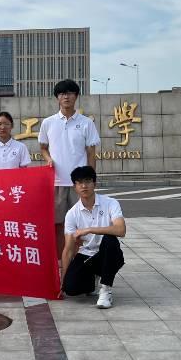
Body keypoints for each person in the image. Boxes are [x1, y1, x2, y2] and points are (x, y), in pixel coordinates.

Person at [38, 79, 101, 257]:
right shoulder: (48, 123)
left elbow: (91, 153)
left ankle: (80, 260)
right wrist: (48, 159)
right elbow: (43, 147)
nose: (66, 97)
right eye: (62, 93)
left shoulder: (86, 123)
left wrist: (92, 180)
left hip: (79, 184)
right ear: (57, 98)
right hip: (56, 182)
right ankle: (60, 262)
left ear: (76, 96)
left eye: (70, 93)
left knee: (82, 225)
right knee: (57, 224)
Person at [61, 165, 125, 309]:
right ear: (74, 187)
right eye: (79, 182)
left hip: (109, 253)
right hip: (88, 255)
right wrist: (62, 281)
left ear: (94, 184)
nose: (84, 186)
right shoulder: (72, 214)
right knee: (71, 289)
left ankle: (106, 290)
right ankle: (92, 281)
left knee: (109, 239)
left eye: (88, 181)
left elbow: (121, 230)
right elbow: (68, 249)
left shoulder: (110, 203)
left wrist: (89, 229)